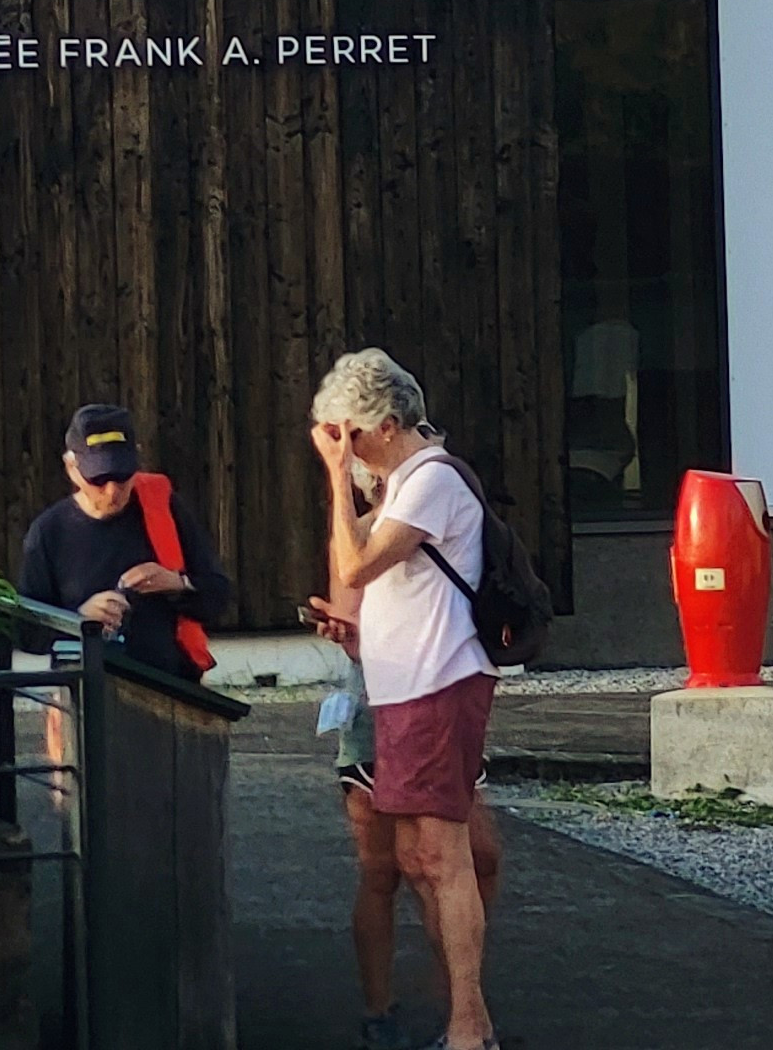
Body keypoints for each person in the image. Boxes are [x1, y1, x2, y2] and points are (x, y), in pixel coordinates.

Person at [314, 348, 502, 1050]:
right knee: (420, 857)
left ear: (386, 424)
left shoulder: (429, 480)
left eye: (350, 434)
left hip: (437, 685)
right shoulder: (401, 485)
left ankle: (466, 1024)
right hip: (407, 688)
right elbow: (356, 570)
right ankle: (468, 1020)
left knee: (442, 855)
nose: (347, 450)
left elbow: (355, 561)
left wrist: (337, 480)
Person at [16, 403, 234, 682]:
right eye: (99, 479)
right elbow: (26, 633)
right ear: (71, 468)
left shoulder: (162, 508)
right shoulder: (48, 532)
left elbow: (219, 596)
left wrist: (177, 583)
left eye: (122, 477)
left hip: (168, 689)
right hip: (87, 693)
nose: (112, 491)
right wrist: (79, 619)